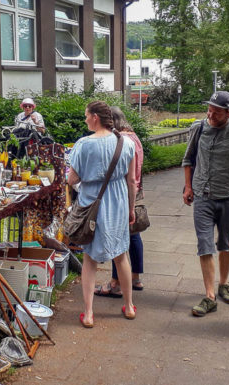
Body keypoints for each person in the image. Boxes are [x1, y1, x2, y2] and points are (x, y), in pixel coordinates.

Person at [182, 91, 229, 317]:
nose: (211, 114)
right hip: (202, 197)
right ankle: (210, 295)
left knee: (225, 244)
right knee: (204, 244)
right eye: (209, 109)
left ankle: (224, 283)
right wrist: (188, 186)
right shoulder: (199, 128)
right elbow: (188, 159)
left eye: (216, 111)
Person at [68, 101, 137, 327]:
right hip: (117, 203)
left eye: (87, 116)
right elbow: (132, 181)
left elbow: (73, 180)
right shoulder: (126, 143)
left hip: (92, 205)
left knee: (90, 258)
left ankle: (88, 314)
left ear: (95, 117)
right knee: (121, 255)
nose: (86, 119)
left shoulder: (84, 145)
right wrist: (131, 209)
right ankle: (128, 307)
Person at [94, 106, 145, 297]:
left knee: (119, 239)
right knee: (133, 236)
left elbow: (123, 174)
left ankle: (115, 283)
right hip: (136, 190)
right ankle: (135, 277)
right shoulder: (135, 138)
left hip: (123, 193)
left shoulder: (121, 140)